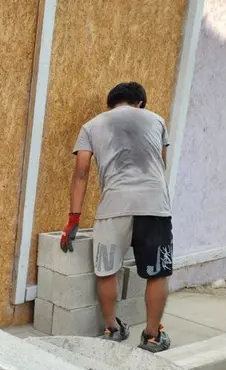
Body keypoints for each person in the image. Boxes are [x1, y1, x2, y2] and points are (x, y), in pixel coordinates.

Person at [60, 81, 173, 352]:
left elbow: (81, 173)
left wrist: (73, 219)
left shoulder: (92, 125)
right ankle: (152, 335)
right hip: (154, 206)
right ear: (140, 103)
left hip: (113, 207)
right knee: (157, 273)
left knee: (106, 271)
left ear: (111, 103)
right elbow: (161, 163)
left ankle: (112, 327)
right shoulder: (156, 120)